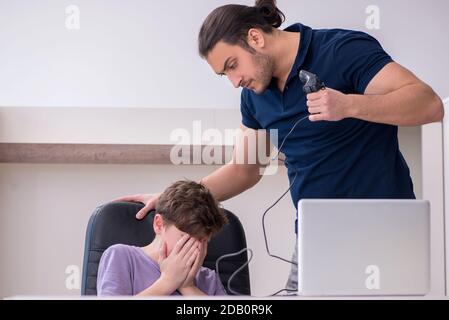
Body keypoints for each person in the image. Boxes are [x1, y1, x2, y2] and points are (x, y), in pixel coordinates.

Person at [114, 0, 444, 292]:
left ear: (255, 37)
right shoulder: (254, 97)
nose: (235, 80)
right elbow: (245, 169)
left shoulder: (342, 49)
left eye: (232, 65)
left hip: (385, 229)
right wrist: (171, 198)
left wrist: (350, 106)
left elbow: (429, 104)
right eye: (224, 75)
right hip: (317, 237)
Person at [98, 180, 228, 296]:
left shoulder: (209, 279)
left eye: (202, 240)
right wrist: (168, 281)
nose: (194, 248)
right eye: (186, 238)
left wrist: (188, 287)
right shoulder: (122, 257)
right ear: (159, 224)